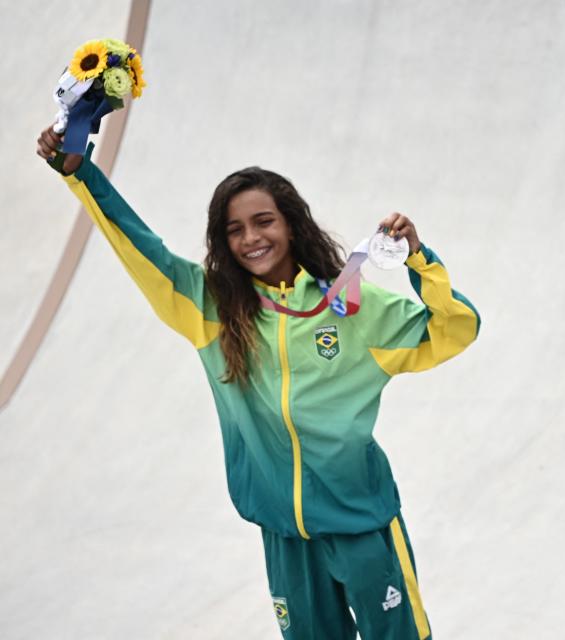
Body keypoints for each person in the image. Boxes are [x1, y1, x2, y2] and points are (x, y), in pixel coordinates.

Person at [36, 126, 480, 640]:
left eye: (264, 222)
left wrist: (420, 260)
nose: (251, 239)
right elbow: (143, 250)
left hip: (363, 522)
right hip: (285, 532)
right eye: (234, 229)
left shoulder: (353, 307)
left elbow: (457, 328)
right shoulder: (211, 310)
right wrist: (79, 172)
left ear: (291, 225)